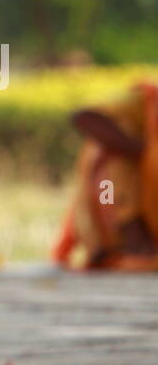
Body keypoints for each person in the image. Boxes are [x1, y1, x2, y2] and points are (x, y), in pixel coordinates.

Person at [53, 82, 158, 270]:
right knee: (114, 170)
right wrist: (142, 153)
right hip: (105, 190)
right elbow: (84, 117)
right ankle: (132, 239)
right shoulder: (144, 100)